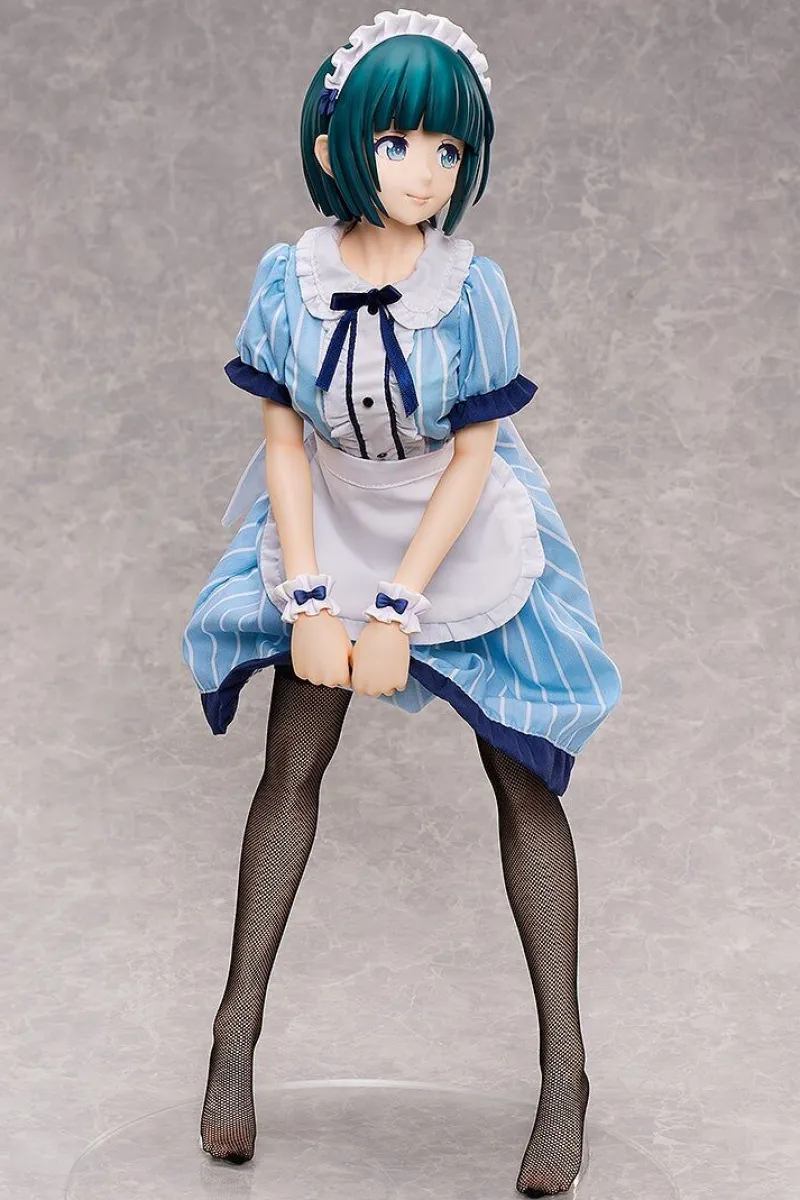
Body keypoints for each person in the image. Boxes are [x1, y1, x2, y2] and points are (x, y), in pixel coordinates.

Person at [182, 10, 623, 1195]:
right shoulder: (290, 280)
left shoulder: (470, 289)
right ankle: (232, 1036)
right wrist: (312, 600)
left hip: (447, 526)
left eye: (445, 149)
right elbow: (284, 447)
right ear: (337, 145)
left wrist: (395, 611)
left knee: (521, 780)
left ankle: (565, 1069)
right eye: (396, 144)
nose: (422, 172)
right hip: (331, 516)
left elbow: (473, 459)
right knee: (290, 766)